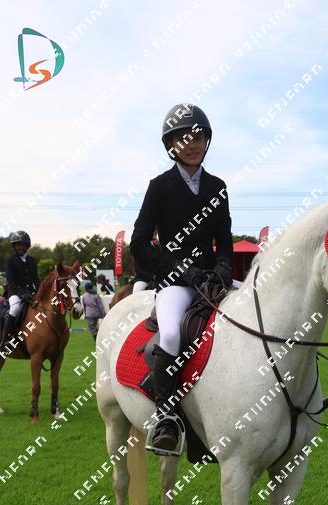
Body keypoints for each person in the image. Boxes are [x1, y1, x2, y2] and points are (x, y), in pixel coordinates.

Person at [130, 103, 234, 453]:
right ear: (171, 145)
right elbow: (139, 243)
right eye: (184, 138)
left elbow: (225, 241)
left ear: (207, 141)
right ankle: (167, 419)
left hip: (212, 282)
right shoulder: (159, 187)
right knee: (172, 333)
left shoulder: (218, 186)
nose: (192, 143)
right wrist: (183, 271)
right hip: (176, 284)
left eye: (199, 137)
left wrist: (223, 268)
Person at [0, 231, 40, 353]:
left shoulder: (32, 260)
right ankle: (6, 339)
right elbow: (11, 281)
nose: (20, 247)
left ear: (27, 246)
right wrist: (22, 294)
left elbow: (36, 279)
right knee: (15, 308)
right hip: (15, 293)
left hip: (31, 292)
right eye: (18, 245)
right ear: (14, 246)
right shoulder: (10, 260)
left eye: (23, 245)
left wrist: (39, 292)